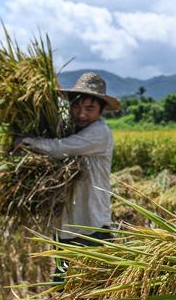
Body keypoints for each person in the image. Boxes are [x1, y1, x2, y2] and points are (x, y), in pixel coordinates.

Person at [16, 72, 120, 280]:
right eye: (76, 107)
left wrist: (26, 142)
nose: (81, 114)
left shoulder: (99, 132)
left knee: (94, 286)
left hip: (91, 224)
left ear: (101, 109)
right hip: (65, 225)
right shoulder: (68, 129)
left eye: (89, 108)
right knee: (64, 283)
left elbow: (61, 148)